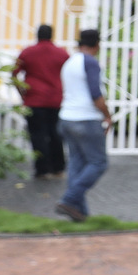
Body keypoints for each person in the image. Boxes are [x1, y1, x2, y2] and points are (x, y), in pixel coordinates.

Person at [56, 28, 112, 221]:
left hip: (66, 118)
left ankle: (79, 213)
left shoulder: (70, 62)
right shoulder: (90, 62)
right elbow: (96, 94)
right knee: (99, 163)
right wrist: (107, 116)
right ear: (97, 44)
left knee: (76, 164)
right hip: (85, 118)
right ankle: (69, 199)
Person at [14, 24, 70, 180]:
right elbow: (70, 73)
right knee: (55, 134)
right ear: (52, 35)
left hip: (34, 99)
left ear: (37, 35)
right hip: (55, 100)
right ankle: (58, 168)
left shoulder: (27, 52)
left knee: (37, 135)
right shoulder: (61, 53)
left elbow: (14, 74)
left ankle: (43, 169)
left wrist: (22, 93)